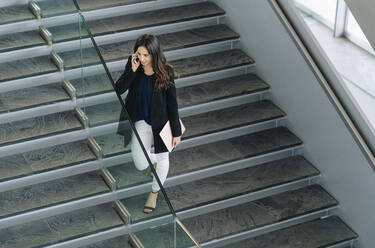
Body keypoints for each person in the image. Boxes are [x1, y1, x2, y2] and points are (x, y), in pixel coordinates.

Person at [114, 34, 182, 214]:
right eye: (139, 54)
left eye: (146, 55)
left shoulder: (166, 71)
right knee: (140, 163)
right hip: (141, 120)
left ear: (154, 54)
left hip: (161, 123)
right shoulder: (134, 64)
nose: (142, 59)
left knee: (163, 158)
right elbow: (118, 89)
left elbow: (172, 103)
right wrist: (132, 71)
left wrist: (176, 132)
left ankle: (154, 191)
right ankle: (155, 164)